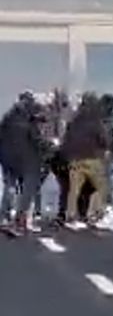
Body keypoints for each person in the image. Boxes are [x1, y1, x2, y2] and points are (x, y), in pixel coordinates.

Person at [59, 96, 113, 230]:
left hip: (75, 160)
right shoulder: (96, 121)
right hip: (92, 158)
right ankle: (96, 215)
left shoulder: (74, 121)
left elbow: (66, 140)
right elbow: (104, 140)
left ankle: (70, 217)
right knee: (101, 187)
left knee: (74, 190)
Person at [0, 94, 50, 235]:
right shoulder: (29, 121)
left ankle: (3, 217)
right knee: (28, 190)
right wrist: (49, 147)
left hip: (7, 160)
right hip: (26, 160)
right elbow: (37, 141)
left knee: (9, 187)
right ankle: (20, 221)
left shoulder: (7, 118)